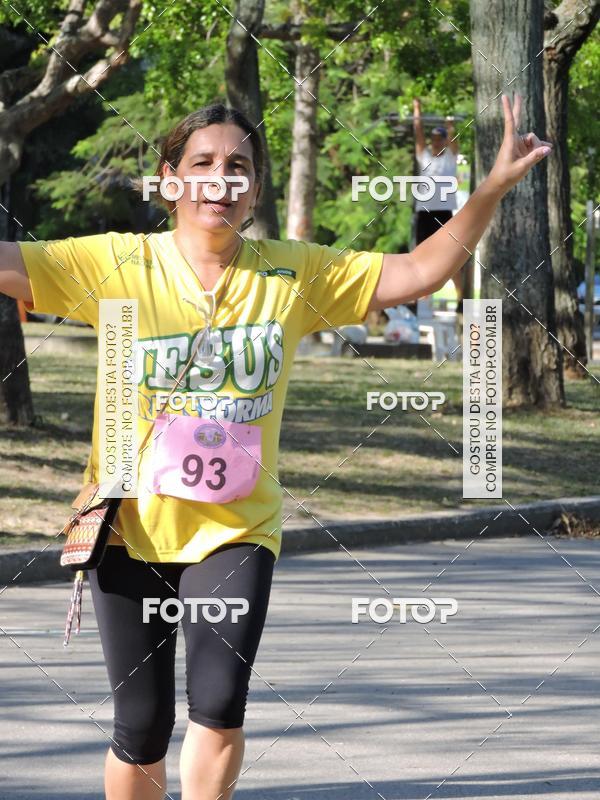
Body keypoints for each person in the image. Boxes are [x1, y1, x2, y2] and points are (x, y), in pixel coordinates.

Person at [0, 95, 550, 800]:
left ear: (255, 188)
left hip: (237, 526)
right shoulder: (115, 263)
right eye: (202, 164)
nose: (221, 180)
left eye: (238, 167)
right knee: (140, 726)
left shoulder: (294, 273)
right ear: (170, 181)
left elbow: (420, 271)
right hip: (128, 528)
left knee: (220, 705)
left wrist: (493, 186)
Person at [411, 96, 462, 314]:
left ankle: (461, 299)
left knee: (450, 257)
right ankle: (420, 298)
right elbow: (418, 132)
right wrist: (417, 108)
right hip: (424, 212)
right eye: (435, 138)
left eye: (441, 138)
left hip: (443, 213)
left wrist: (449, 119)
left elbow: (453, 135)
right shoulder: (423, 156)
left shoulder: (450, 159)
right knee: (421, 256)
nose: (437, 141)